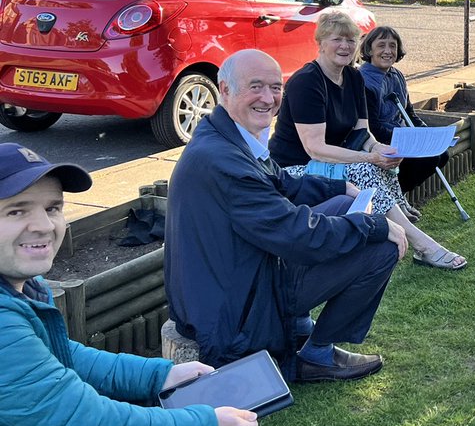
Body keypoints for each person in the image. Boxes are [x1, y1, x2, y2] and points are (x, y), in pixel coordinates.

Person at [0, 142, 257, 426]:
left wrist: (160, 377)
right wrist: (204, 424)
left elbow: (63, 355)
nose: (43, 225)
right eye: (16, 211)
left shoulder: (19, 286)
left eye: (52, 208)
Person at [167, 49, 413, 382]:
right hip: (235, 307)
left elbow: (283, 182)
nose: (268, 98)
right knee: (380, 246)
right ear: (224, 90)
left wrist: (339, 188)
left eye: (275, 87)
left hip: (237, 276)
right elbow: (298, 235)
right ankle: (317, 353)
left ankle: (299, 327)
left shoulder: (224, 134)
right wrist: (374, 224)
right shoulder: (225, 162)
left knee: (342, 207)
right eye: (255, 87)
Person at [268, 10, 465, 270]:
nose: (345, 46)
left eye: (351, 40)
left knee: (385, 158)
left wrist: (380, 149)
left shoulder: (353, 77)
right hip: (295, 168)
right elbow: (315, 149)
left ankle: (398, 215)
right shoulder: (306, 82)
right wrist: (369, 156)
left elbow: (363, 133)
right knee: (364, 167)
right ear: (321, 43)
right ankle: (421, 244)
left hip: (332, 159)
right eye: (337, 39)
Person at [360, 26, 448, 205]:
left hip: (402, 136)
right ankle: (394, 200)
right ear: (369, 49)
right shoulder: (364, 81)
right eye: (381, 45)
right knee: (426, 159)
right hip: (380, 141)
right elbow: (373, 127)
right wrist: (409, 140)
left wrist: (426, 134)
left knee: (442, 153)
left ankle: (398, 195)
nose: (387, 51)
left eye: (392, 46)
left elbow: (409, 113)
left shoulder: (397, 75)